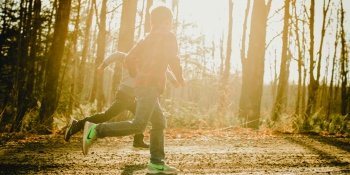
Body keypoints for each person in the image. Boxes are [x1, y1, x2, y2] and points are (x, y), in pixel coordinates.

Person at [82, 6, 184, 174]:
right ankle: (96, 130)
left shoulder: (146, 38)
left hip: (142, 87)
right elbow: (173, 59)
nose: (170, 24)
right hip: (150, 87)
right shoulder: (168, 36)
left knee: (159, 122)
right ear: (167, 21)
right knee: (139, 125)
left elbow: (128, 58)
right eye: (170, 21)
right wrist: (179, 78)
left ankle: (156, 163)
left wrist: (137, 75)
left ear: (152, 22)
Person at [64, 52, 149, 148]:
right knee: (107, 116)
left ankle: (138, 140)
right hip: (124, 96)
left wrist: (170, 80)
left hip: (132, 98)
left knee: (141, 115)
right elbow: (116, 55)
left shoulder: (145, 64)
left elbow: (164, 70)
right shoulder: (128, 58)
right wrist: (103, 66)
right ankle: (77, 125)